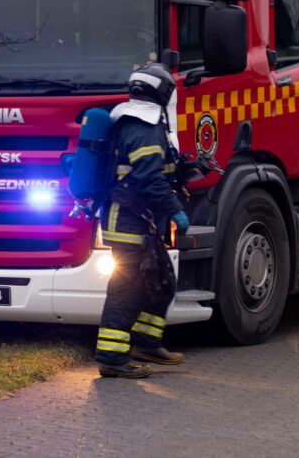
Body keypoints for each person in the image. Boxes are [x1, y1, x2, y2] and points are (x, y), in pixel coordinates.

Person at [94, 63, 189, 378]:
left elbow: (155, 168)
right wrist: (175, 209)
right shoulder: (140, 124)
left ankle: (147, 342)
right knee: (127, 288)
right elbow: (149, 177)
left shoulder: (143, 121)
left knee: (162, 280)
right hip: (129, 221)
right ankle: (112, 358)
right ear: (162, 92)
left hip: (140, 220)